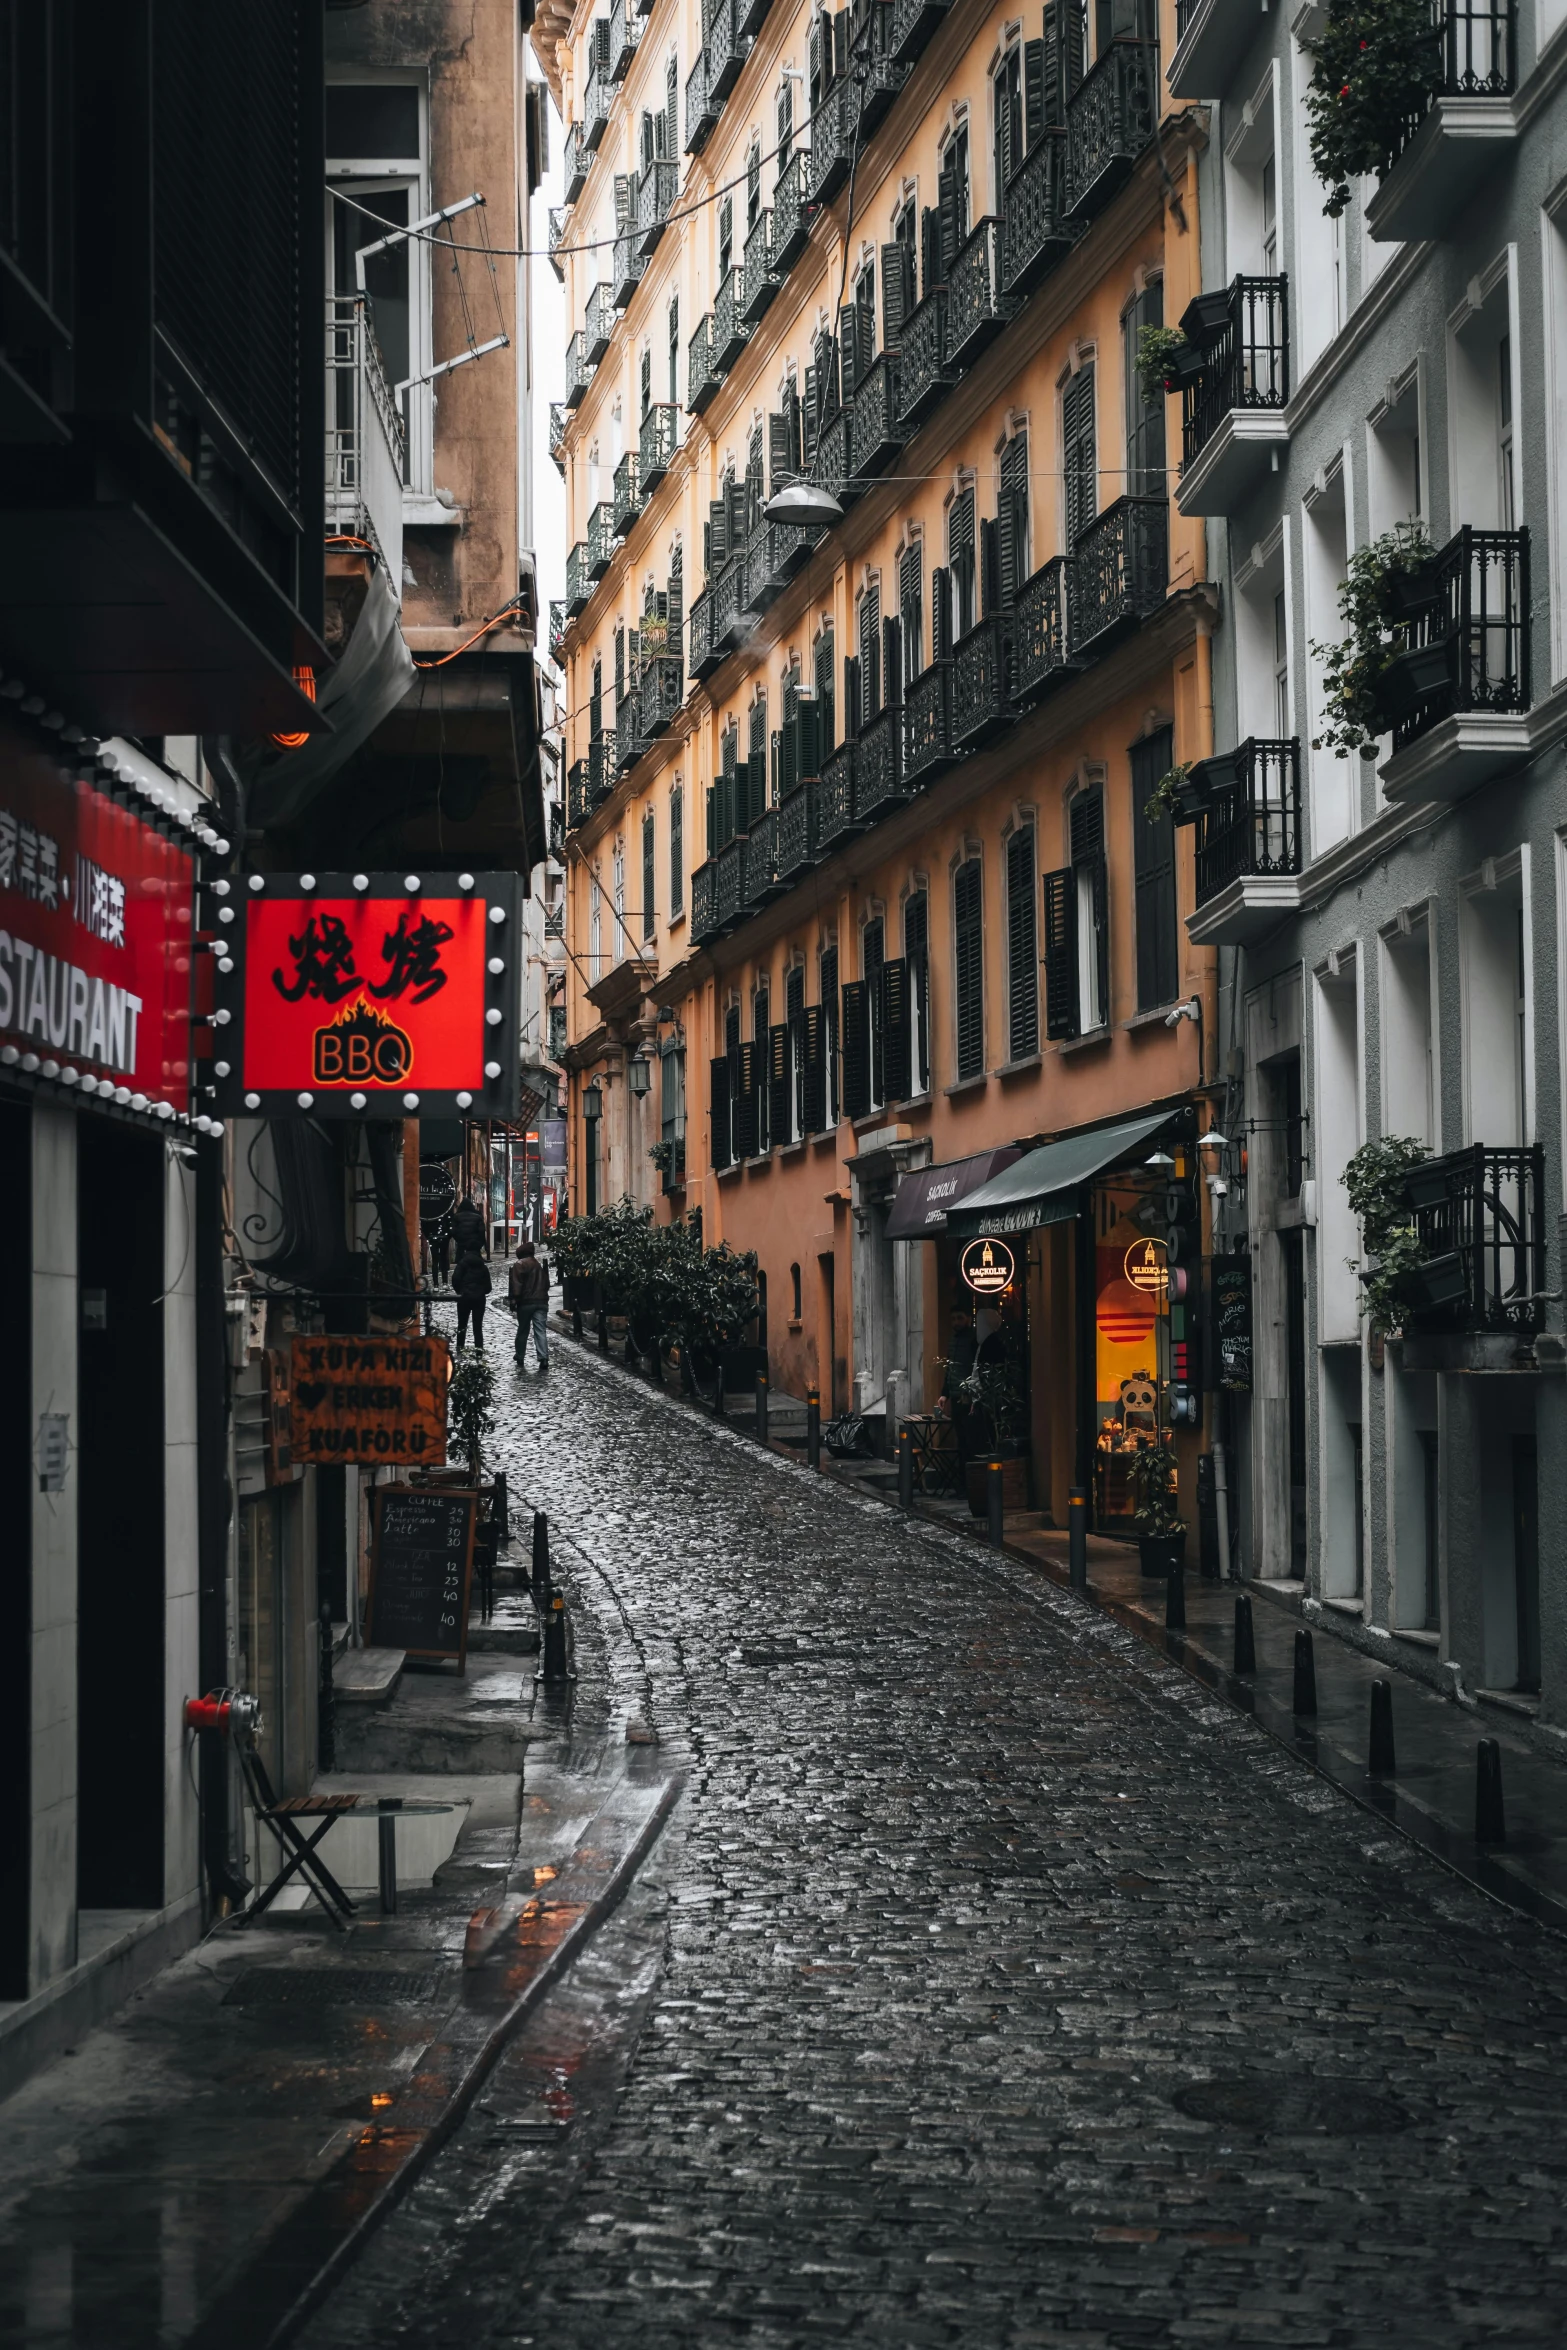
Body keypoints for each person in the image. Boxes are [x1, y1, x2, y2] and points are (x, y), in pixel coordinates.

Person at [507, 1240, 551, 1372]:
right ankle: (543, 1357)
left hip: (526, 1303)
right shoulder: (538, 1265)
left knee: (523, 1330)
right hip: (541, 1302)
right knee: (540, 1330)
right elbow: (546, 1284)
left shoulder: (519, 1264)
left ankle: (520, 1355)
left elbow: (516, 1285)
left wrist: (514, 1300)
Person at [452, 1246, 491, 1351]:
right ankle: (479, 1350)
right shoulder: (483, 1267)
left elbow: (455, 1279)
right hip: (479, 1299)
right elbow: (488, 1287)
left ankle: (460, 1348)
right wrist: (481, 1291)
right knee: (477, 1327)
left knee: (462, 1325)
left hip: (464, 1297)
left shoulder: (462, 1264)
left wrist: (460, 1291)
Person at [451, 1192, 486, 1257]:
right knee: (475, 1260)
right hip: (474, 1242)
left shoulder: (457, 1217)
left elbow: (453, 1231)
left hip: (461, 1242)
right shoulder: (477, 1217)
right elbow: (482, 1231)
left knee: (460, 1259)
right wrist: (480, 1243)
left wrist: (458, 1239)